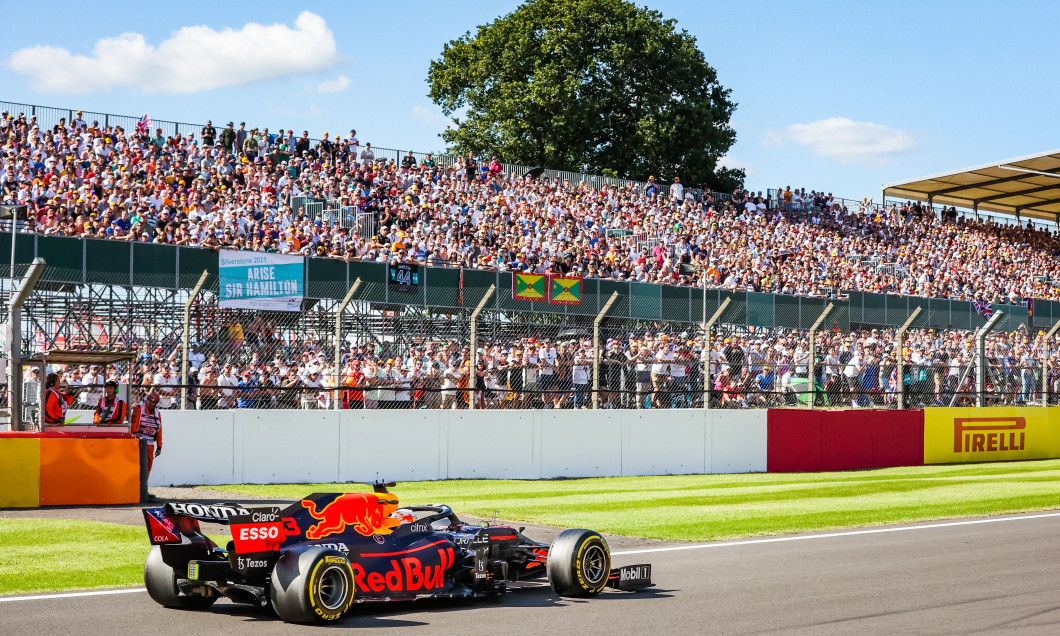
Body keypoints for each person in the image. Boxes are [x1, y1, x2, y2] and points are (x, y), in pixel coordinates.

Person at [131, 391, 163, 479]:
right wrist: (135, 434)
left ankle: (144, 485)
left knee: (148, 466)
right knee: (137, 464)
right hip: (139, 441)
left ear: (156, 403)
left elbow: (159, 430)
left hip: (150, 443)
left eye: (153, 402)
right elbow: (134, 424)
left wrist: (159, 446)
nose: (150, 403)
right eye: (149, 401)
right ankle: (135, 484)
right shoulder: (138, 408)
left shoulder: (157, 413)